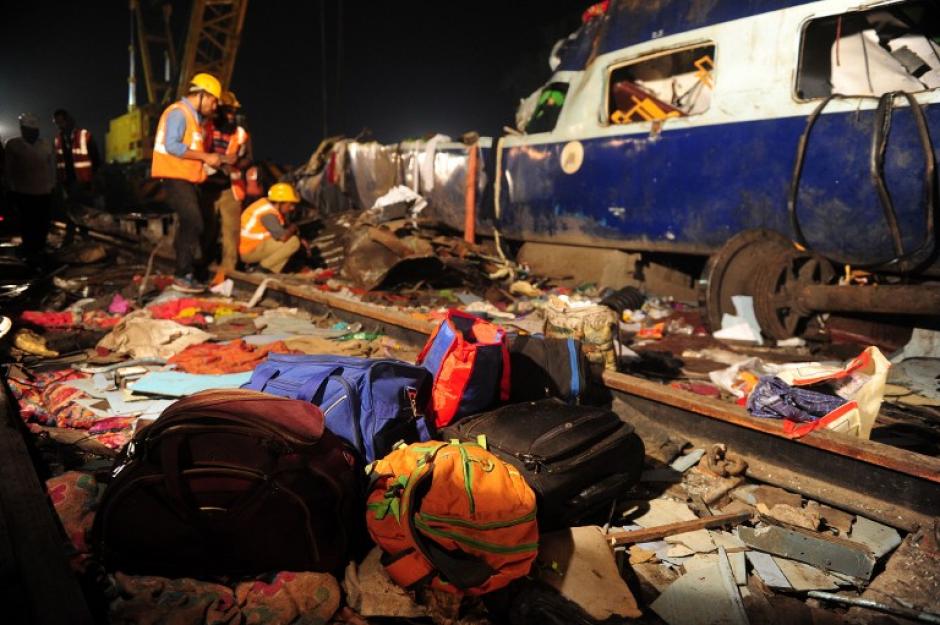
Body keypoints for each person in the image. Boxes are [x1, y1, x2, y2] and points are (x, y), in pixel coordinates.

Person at [152, 72, 234, 293]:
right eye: (213, 100)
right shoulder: (179, 113)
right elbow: (172, 146)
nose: (215, 106)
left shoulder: (193, 120)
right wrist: (206, 157)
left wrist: (212, 163)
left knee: (192, 223)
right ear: (202, 95)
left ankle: (185, 271)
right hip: (175, 177)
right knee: (194, 222)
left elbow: (188, 154)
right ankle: (182, 274)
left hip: (184, 178)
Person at [202, 90, 252, 272]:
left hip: (230, 188)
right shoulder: (205, 128)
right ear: (218, 111)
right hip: (206, 187)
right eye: (228, 111)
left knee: (231, 231)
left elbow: (249, 158)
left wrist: (237, 162)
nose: (232, 116)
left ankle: (229, 269)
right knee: (208, 229)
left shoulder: (240, 134)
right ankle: (202, 265)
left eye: (233, 111)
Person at [3, 113, 56, 262]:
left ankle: (40, 247)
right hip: (23, 192)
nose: (33, 133)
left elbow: (52, 168)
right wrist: (11, 189)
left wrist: (53, 186)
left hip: (44, 192)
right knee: (28, 223)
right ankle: (30, 249)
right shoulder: (13, 145)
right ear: (23, 130)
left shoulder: (46, 145)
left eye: (35, 130)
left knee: (42, 222)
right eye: (29, 130)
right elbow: (9, 169)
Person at [53, 109, 100, 245]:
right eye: (57, 123)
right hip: (68, 181)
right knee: (75, 210)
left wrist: (92, 179)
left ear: (67, 120)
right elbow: (58, 162)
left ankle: (72, 237)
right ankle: (83, 237)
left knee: (76, 209)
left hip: (82, 181)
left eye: (61, 122)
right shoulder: (58, 139)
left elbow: (95, 159)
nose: (59, 125)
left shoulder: (84, 135)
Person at [239, 182, 303, 274]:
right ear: (281, 202)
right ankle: (262, 270)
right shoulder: (267, 214)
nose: (292, 208)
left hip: (255, 246)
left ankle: (269, 271)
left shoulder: (268, 206)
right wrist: (293, 227)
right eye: (291, 204)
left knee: (292, 241)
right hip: (249, 251)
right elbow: (283, 237)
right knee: (293, 242)